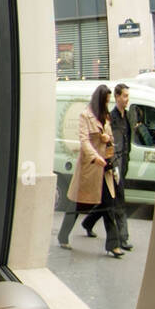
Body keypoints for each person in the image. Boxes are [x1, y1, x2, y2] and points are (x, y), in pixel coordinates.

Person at [58, 83, 124, 258]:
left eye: (109, 101)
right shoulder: (85, 115)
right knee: (77, 204)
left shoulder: (106, 116)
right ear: (98, 100)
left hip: (105, 168)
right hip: (90, 168)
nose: (107, 104)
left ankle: (113, 244)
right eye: (106, 101)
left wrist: (107, 138)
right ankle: (63, 234)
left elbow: (109, 138)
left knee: (109, 204)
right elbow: (84, 141)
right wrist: (95, 157)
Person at [83, 82, 133, 249]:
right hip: (112, 164)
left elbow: (126, 141)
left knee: (107, 202)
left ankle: (88, 222)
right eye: (124, 96)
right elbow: (110, 144)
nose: (127, 99)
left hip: (122, 163)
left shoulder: (126, 116)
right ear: (117, 97)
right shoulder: (110, 117)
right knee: (118, 201)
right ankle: (122, 239)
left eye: (128, 96)